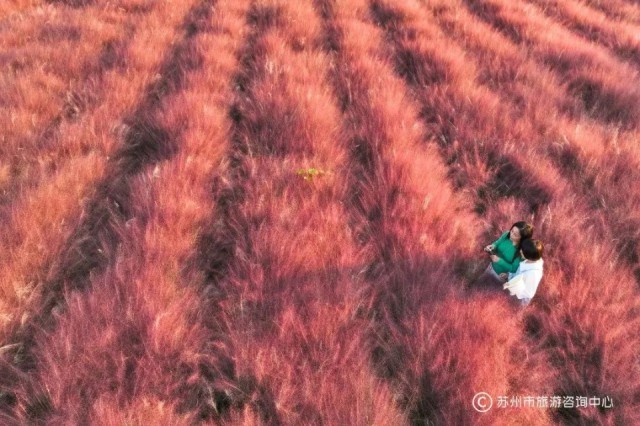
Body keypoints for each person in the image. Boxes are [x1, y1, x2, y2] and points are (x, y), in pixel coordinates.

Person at [503, 239, 544, 306]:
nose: (520, 251)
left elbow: (529, 293)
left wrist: (511, 286)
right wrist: (509, 275)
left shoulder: (533, 274)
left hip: (520, 299)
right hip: (515, 292)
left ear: (529, 255)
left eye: (523, 251)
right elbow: (518, 274)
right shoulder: (530, 261)